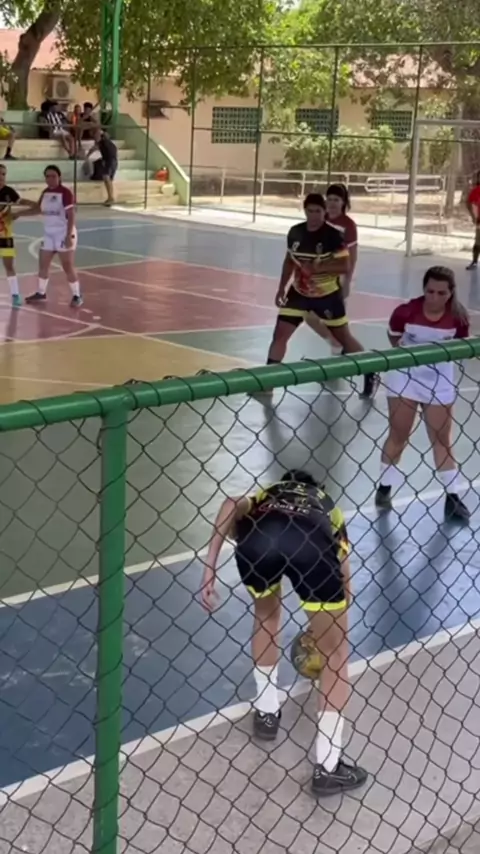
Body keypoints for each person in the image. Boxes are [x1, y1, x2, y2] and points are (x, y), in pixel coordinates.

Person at [201, 468, 368, 797]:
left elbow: (230, 503)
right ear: (314, 486)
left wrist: (209, 568)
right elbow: (344, 571)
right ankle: (328, 768)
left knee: (266, 616)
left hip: (258, 541)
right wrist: (327, 628)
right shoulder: (326, 504)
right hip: (310, 543)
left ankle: (266, 713)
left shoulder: (268, 493)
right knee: (335, 655)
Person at [375, 266, 470, 520]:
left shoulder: (459, 318)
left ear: (451, 293)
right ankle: (384, 488)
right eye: (430, 291)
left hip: (440, 379)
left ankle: (452, 497)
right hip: (405, 376)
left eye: (441, 293)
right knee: (399, 435)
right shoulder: (405, 312)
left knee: (442, 440)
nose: (435, 297)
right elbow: (394, 339)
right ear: (423, 289)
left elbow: (461, 347)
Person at [261, 193, 377, 399]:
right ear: (304, 211)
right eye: (310, 211)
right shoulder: (295, 232)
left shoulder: (333, 236)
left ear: (324, 213)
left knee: (343, 338)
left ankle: (370, 371)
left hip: (327, 296)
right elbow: (289, 260)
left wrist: (317, 268)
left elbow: (344, 265)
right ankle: (267, 384)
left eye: (318, 211)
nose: (314, 216)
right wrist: (281, 287)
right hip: (298, 293)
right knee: (280, 335)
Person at [14, 165, 83, 307]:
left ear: (59, 177)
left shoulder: (65, 193)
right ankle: (41, 293)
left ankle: (77, 295)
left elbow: (71, 215)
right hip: (49, 234)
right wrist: (19, 213)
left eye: (53, 176)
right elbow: (38, 209)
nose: (50, 179)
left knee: (67, 266)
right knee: (43, 264)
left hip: (63, 233)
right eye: (48, 176)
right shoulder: (45, 192)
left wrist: (68, 235)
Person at [306, 183, 358, 353]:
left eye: (336, 199)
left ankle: (356, 356)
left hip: (338, 277)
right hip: (320, 275)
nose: (332, 203)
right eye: (329, 199)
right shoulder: (321, 219)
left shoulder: (348, 225)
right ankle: (336, 344)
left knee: (336, 324)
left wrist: (347, 282)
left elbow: (352, 255)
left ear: (343, 202)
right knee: (309, 315)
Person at [0, 164, 37, 307]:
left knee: (9, 266)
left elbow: (21, 201)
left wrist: (36, 204)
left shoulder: (9, 192)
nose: (1, 177)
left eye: (4, 174)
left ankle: (15, 295)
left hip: (5, 235)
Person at [88, 128, 118, 206]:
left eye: (94, 135)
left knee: (106, 177)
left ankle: (111, 198)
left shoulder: (103, 142)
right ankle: (110, 197)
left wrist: (86, 156)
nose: (94, 138)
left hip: (110, 160)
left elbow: (93, 149)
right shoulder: (106, 142)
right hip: (112, 160)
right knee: (107, 178)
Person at [465, 172, 480, 271]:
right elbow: (470, 203)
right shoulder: (476, 191)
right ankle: (474, 261)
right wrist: (474, 217)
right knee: (478, 242)